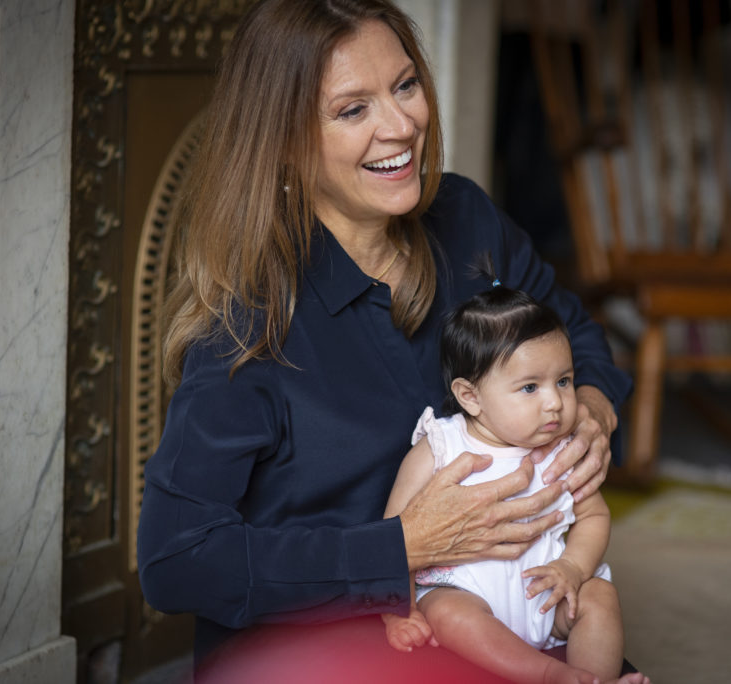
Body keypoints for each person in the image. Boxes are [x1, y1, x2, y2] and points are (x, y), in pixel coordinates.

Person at [136, 0, 633, 679]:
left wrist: (595, 413)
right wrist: (401, 548)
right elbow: (175, 563)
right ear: (283, 141)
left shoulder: (466, 222)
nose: (401, 126)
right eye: (352, 110)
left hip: (515, 615)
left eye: (405, 86)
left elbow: (577, 334)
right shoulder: (248, 326)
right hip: (323, 648)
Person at [383, 284, 647, 684]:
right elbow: (395, 534)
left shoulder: (563, 448)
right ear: (471, 397)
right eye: (530, 387)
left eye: (564, 380)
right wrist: (398, 611)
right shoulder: (441, 446)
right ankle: (547, 674)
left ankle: (594, 678)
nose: (555, 402)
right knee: (447, 613)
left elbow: (594, 515)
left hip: (546, 593)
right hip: (467, 592)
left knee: (599, 595)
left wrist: (572, 568)